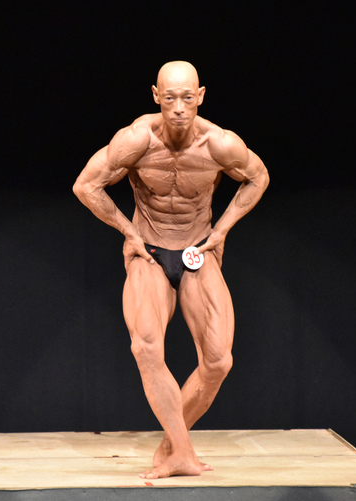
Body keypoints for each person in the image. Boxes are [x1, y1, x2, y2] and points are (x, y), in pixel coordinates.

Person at [73, 61, 269, 479]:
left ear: (200, 97)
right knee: (145, 347)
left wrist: (221, 230)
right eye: (169, 98)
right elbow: (85, 185)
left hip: (198, 248)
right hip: (149, 250)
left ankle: (171, 446)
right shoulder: (137, 140)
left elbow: (258, 177)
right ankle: (182, 451)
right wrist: (128, 232)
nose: (178, 107)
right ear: (155, 96)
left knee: (218, 361)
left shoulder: (220, 144)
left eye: (187, 97)